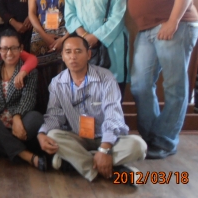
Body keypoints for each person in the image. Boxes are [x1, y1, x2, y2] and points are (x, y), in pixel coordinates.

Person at [123, 0, 198, 159]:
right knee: (139, 85)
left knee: (174, 86)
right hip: (147, 31)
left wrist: (173, 21)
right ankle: (150, 137)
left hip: (174, 26)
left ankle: (165, 141)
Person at [38, 35, 147, 184]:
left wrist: (105, 149)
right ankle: (115, 172)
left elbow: (113, 115)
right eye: (68, 52)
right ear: (62, 56)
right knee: (53, 135)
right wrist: (42, 133)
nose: (73, 57)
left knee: (138, 146)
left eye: (78, 51)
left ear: (88, 54)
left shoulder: (106, 78)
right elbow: (54, 116)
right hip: (78, 138)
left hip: (107, 138)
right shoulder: (57, 83)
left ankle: (76, 162)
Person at [65, 0, 129, 97]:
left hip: (110, 44)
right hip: (82, 43)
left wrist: (96, 37)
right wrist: (83, 35)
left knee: (111, 90)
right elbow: (69, 11)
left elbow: (118, 15)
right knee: (84, 91)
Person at [0, 30, 45, 170]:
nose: (9, 53)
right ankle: (26, 155)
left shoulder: (29, 71)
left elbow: (29, 98)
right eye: (5, 48)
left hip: (21, 121)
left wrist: (17, 117)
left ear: (21, 48)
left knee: (36, 118)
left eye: (14, 48)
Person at [28, 0, 72, 86]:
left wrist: (64, 39)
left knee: (64, 79)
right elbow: (31, 13)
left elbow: (78, 14)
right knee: (40, 81)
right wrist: (45, 36)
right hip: (40, 36)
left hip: (65, 37)